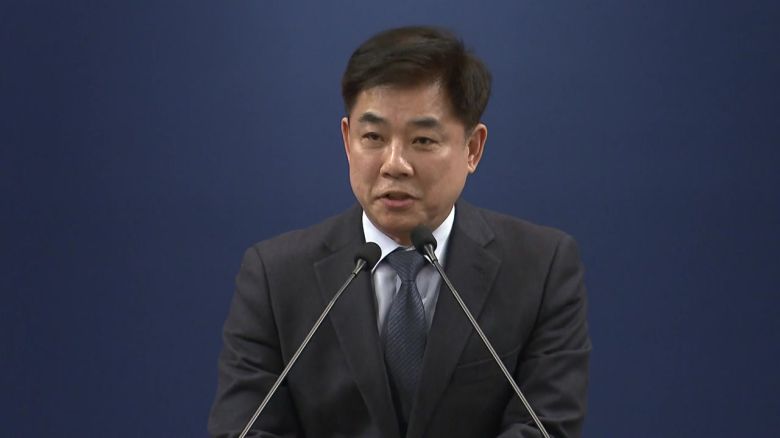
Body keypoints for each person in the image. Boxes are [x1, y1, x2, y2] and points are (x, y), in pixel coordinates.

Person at [208, 26, 590, 438]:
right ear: (347, 140)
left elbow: (544, 427)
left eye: (422, 140)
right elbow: (245, 428)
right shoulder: (275, 276)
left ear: (473, 148)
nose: (394, 164)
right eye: (373, 137)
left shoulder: (541, 268)